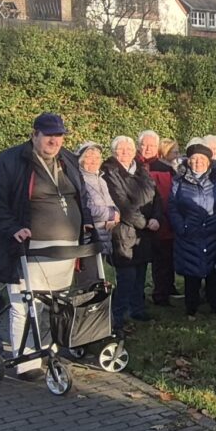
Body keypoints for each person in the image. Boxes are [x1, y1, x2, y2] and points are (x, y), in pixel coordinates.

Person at [0, 112, 92, 380]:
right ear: (34, 135)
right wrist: (12, 228)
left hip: (64, 251)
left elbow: (82, 195)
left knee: (53, 304)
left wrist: (86, 222)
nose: (55, 140)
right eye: (49, 135)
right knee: (24, 304)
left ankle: (46, 351)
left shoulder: (68, 161)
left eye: (59, 135)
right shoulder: (10, 161)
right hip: (27, 250)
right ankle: (25, 363)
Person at [102, 135, 164, 332]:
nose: (126, 152)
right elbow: (122, 204)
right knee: (126, 277)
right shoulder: (109, 172)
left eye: (129, 149)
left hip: (144, 233)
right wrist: (145, 222)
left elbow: (156, 196)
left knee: (140, 274)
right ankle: (116, 317)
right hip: (124, 232)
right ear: (114, 151)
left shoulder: (141, 169)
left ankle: (137, 309)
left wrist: (156, 217)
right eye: (121, 149)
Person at [170, 140, 216, 318]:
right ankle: (191, 308)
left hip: (214, 233)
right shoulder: (180, 181)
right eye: (194, 159)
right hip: (190, 234)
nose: (198, 162)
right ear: (188, 161)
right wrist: (181, 226)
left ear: (208, 161)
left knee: (214, 273)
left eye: (201, 159)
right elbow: (173, 207)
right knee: (192, 275)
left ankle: (215, 305)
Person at [137, 130, 177, 307]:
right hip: (136, 221)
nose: (147, 148)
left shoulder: (166, 169)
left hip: (161, 221)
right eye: (144, 145)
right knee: (137, 262)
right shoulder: (130, 166)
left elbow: (171, 197)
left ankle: (162, 294)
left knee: (163, 261)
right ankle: (136, 296)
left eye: (151, 145)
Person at [76, 141, 119, 256]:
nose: (94, 161)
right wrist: (111, 214)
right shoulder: (79, 180)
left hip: (105, 233)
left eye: (97, 157)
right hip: (90, 235)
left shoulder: (101, 179)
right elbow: (85, 208)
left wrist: (115, 213)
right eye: (89, 157)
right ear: (81, 159)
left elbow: (110, 202)